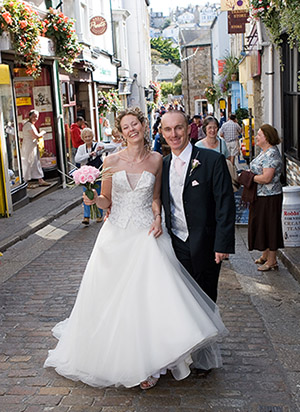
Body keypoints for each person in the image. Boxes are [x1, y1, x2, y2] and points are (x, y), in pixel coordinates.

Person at [44, 107, 228, 390]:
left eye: (135, 124)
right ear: (120, 131)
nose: (131, 130)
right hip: (116, 235)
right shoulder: (111, 159)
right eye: (125, 126)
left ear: (144, 126)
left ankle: (153, 361)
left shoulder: (158, 160)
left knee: (149, 299)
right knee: (115, 300)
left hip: (146, 234)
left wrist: (156, 217)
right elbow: (107, 199)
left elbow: (157, 198)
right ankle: (126, 360)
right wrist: (95, 200)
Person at [160, 110, 235, 303]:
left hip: (207, 246)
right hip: (174, 245)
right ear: (162, 132)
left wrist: (222, 244)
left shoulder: (212, 161)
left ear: (188, 129)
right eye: (168, 129)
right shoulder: (162, 165)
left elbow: (225, 205)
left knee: (205, 302)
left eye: (178, 128)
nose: (173, 134)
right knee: (181, 305)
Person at [247, 124, 283, 271]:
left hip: (270, 196)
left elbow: (267, 178)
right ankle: (265, 255)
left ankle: (272, 260)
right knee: (262, 225)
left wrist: (249, 177)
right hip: (261, 195)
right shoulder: (264, 152)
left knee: (271, 226)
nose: (257, 137)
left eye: (259, 135)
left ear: (267, 138)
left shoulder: (272, 154)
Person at [74, 128, 105, 225]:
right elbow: (77, 159)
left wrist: (102, 148)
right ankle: (86, 216)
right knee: (86, 194)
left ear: (93, 137)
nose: (88, 138)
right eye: (86, 137)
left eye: (89, 136)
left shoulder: (97, 145)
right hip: (86, 174)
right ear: (83, 138)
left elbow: (111, 147)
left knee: (98, 193)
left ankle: (99, 214)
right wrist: (88, 155)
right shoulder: (81, 148)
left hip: (97, 173)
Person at [21, 110, 51, 188]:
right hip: (28, 147)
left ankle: (40, 179)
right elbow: (35, 136)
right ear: (30, 116)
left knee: (35, 162)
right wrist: (43, 132)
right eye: (34, 116)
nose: (35, 118)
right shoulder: (29, 125)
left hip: (31, 146)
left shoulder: (30, 125)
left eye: (37, 116)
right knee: (28, 162)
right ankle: (25, 182)